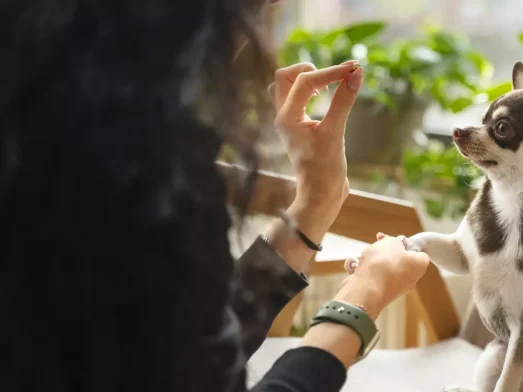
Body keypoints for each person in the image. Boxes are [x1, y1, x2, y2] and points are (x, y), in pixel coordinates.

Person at [0, 1, 431, 392]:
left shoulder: (54, 141)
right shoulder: (143, 173)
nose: (246, 48)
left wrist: (314, 204)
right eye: (250, 19)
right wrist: (363, 297)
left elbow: (181, 354)